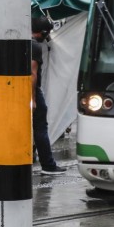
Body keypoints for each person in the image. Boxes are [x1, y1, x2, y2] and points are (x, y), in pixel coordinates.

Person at [31, 16, 66, 175]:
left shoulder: (18, 44)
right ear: (43, 32)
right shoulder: (35, 47)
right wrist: (32, 98)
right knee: (40, 128)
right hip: (32, 92)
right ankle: (48, 165)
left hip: (13, 91)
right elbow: (33, 75)